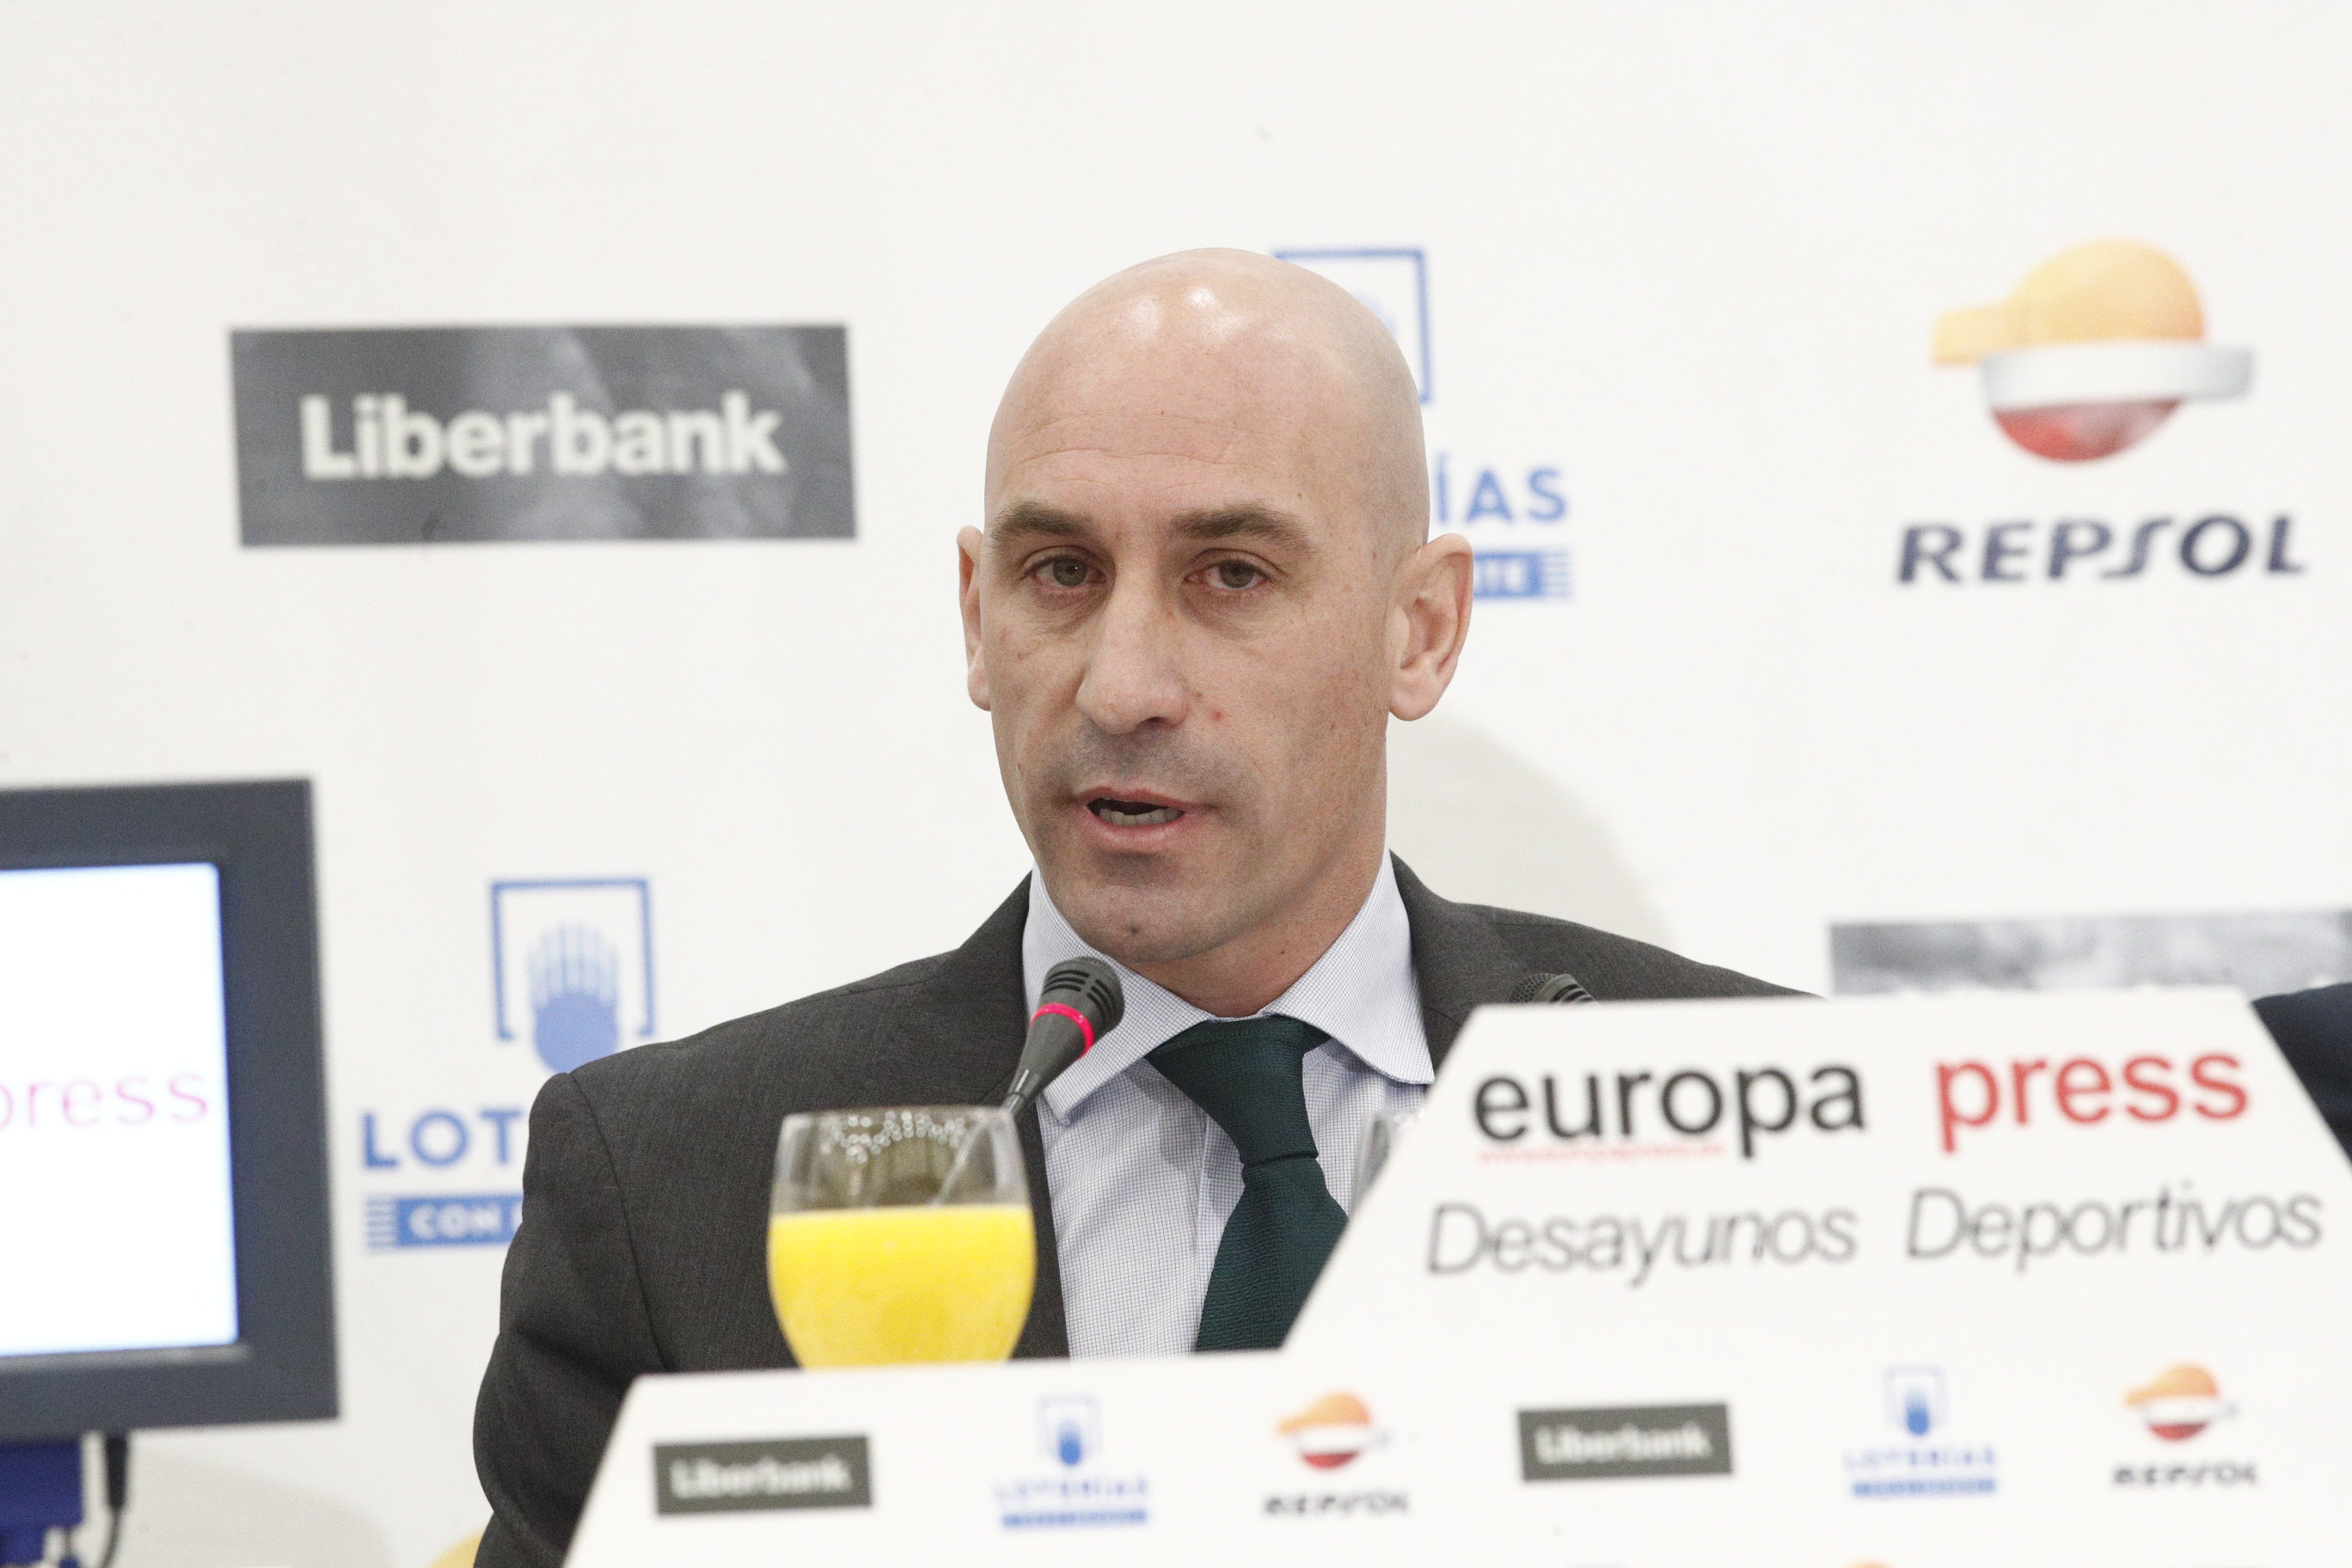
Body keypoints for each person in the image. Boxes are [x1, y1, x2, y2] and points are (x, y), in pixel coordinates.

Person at [471, 249, 1797, 1565]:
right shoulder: (671, 1188)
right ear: (977, 617)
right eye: (1060, 571)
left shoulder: (1763, 1113)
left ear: (1422, 630)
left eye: (1232, 574)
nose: (1124, 686)